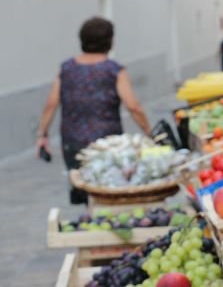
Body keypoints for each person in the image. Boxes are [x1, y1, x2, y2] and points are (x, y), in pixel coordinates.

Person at [36, 17, 152, 203]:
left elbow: (51, 103)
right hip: (107, 143)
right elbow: (133, 106)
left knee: (83, 186)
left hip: (73, 141)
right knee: (107, 188)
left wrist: (42, 135)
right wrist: (149, 132)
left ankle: (89, 219)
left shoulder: (67, 69)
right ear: (109, 41)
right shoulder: (114, 70)